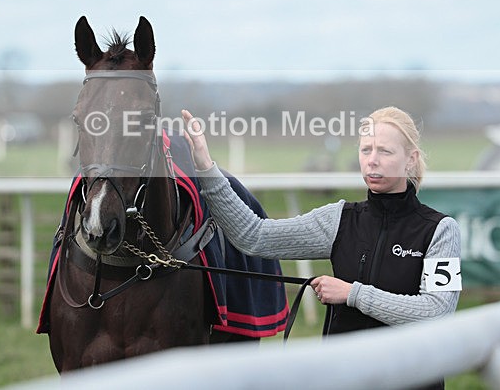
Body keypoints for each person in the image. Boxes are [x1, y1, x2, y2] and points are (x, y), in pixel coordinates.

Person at [181, 106, 460, 390]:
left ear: (411, 160)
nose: (372, 160)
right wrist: (205, 166)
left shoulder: (441, 230)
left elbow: (437, 311)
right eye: (366, 150)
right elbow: (254, 235)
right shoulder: (339, 219)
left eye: (385, 151)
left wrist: (352, 294)